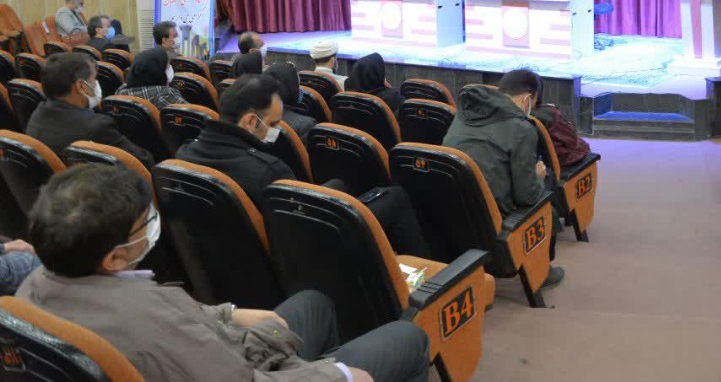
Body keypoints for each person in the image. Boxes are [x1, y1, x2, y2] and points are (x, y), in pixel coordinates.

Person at [19, 164, 431, 382]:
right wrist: (339, 375)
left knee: (314, 303)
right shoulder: (150, 323)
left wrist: (227, 314)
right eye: (144, 221)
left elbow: (183, 325)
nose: (153, 223)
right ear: (113, 258)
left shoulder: (36, 284)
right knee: (408, 338)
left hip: (215, 352)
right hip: (238, 370)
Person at [178, 75, 429, 257]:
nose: (278, 130)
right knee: (394, 197)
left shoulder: (184, 154)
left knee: (339, 184)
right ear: (250, 121)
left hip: (235, 254)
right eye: (273, 124)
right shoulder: (268, 171)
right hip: (301, 251)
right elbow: (303, 234)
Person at [444, 69, 564, 289]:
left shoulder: (463, 115)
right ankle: (542, 271)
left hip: (453, 206)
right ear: (527, 98)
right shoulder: (522, 128)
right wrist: (538, 177)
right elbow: (526, 196)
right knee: (546, 191)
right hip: (494, 213)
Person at [25, 53, 154, 169]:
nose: (97, 84)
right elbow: (143, 161)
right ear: (81, 86)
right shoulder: (96, 126)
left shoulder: (37, 114)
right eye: (94, 79)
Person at [115, 47, 186, 111]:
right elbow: (189, 114)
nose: (170, 68)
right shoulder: (165, 94)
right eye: (167, 66)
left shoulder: (121, 90)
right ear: (156, 71)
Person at [264, 63, 317, 141]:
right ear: (291, 88)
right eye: (298, 85)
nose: (300, 89)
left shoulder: (256, 116)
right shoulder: (306, 124)